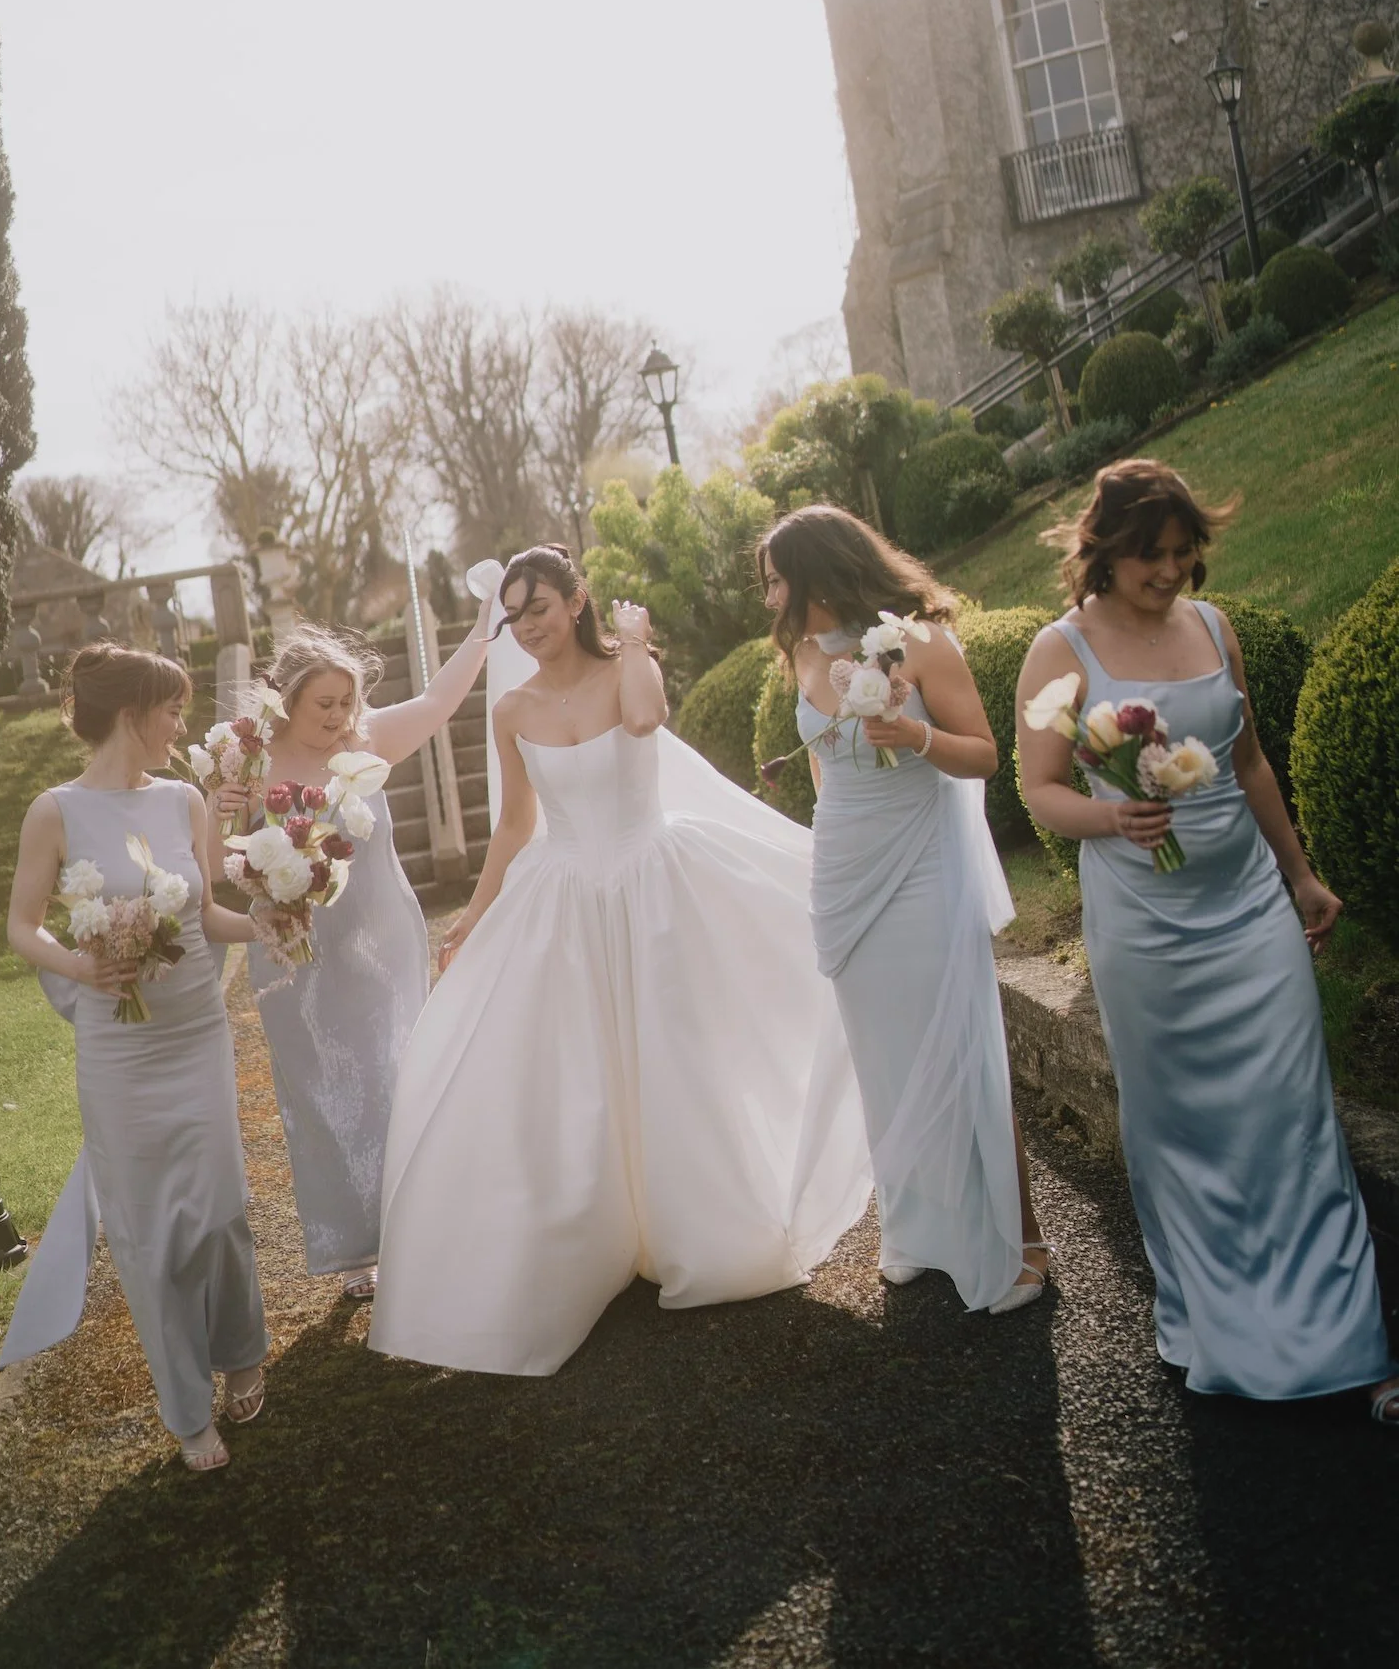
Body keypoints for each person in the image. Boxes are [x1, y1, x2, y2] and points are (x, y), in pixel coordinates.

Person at [368, 543, 871, 1377]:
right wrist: (473, 917)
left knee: (673, 1055)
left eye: (540, 608)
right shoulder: (513, 711)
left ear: (577, 600)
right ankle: (600, 1236)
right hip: (565, 898)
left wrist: (635, 643)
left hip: (652, 884)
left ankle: (693, 1227)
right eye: (514, 615)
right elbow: (513, 826)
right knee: (582, 1071)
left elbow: (644, 721)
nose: (528, 627)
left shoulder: (627, 671)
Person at [1016, 458, 1397, 1421]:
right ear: (1105, 554)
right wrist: (1112, 819)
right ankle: (1220, 1320)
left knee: (1294, 1115)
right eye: (1154, 556)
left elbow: (1250, 760)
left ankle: (1344, 1335)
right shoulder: (1059, 650)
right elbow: (1040, 790)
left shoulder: (1215, 627)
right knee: (1182, 1125)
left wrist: (1300, 873)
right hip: (1146, 925)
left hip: (1249, 909)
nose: (1173, 572)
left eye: (1186, 554)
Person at [758, 504, 1046, 1316]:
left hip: (920, 861)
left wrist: (914, 738)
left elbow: (986, 753)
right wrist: (828, 858)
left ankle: (1020, 1240)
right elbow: (824, 773)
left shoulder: (917, 641)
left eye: (778, 578)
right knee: (882, 1053)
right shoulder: (807, 655)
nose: (771, 595)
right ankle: (918, 1228)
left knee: (957, 1045)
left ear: (820, 571)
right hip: (845, 867)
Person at [0, 645, 267, 1474]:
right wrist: (84, 965)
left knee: (221, 1209)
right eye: (172, 711)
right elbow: (22, 926)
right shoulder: (55, 811)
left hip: (196, 1034)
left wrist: (278, 919)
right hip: (120, 1051)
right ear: (130, 713)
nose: (180, 727)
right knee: (150, 1233)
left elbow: (211, 913)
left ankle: (244, 1351)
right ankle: (187, 1411)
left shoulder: (186, 798)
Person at [210, 604, 491, 1300]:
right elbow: (217, 861)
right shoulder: (250, 760)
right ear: (288, 699)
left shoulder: (369, 739)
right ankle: (355, 1245)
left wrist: (485, 624)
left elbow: (439, 698)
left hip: (381, 939)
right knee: (323, 1095)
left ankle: (419, 1223)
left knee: (398, 1073)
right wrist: (230, 822)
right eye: (324, 704)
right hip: (295, 954)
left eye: (346, 702)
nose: (338, 716)